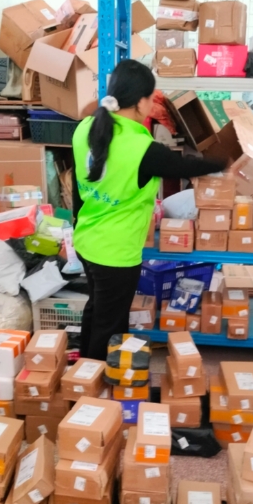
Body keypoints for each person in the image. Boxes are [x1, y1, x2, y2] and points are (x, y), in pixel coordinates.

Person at [72, 59, 225, 360]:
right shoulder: (142, 149)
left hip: (86, 239)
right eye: (152, 98)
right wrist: (227, 161)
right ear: (140, 102)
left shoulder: (86, 128)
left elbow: (79, 188)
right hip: (116, 251)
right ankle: (95, 379)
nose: (153, 105)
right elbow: (185, 166)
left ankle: (83, 373)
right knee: (110, 326)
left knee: (97, 309)